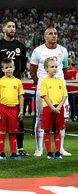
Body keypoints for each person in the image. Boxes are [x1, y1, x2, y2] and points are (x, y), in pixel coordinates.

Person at [0, 20, 29, 157]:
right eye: (9, 26)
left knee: (18, 119)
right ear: (3, 28)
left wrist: (15, 77)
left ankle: (20, 148)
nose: (12, 29)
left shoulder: (21, 47)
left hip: (15, 85)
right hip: (2, 85)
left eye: (14, 27)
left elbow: (23, 66)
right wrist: (1, 79)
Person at [29, 27, 71, 157]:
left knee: (62, 118)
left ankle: (61, 148)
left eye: (55, 33)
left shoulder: (63, 50)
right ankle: (39, 148)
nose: (54, 36)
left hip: (59, 88)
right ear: (45, 36)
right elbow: (32, 69)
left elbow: (64, 68)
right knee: (40, 118)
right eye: (50, 34)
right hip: (44, 87)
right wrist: (39, 83)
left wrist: (59, 81)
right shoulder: (38, 51)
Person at [0, 58, 24, 160]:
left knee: (13, 132)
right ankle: (1, 153)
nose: (9, 69)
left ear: (14, 68)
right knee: (2, 132)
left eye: (10, 67)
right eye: (6, 68)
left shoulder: (18, 82)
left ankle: (13, 153)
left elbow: (21, 97)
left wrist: (21, 110)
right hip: (3, 109)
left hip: (14, 109)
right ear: (2, 69)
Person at [40, 58, 67, 160]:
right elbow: (44, 95)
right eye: (52, 67)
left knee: (57, 130)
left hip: (59, 108)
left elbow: (64, 95)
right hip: (48, 108)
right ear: (46, 69)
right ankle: (49, 152)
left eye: (56, 67)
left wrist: (59, 107)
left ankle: (57, 152)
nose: (54, 69)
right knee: (47, 130)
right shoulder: (44, 82)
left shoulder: (60, 81)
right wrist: (52, 108)